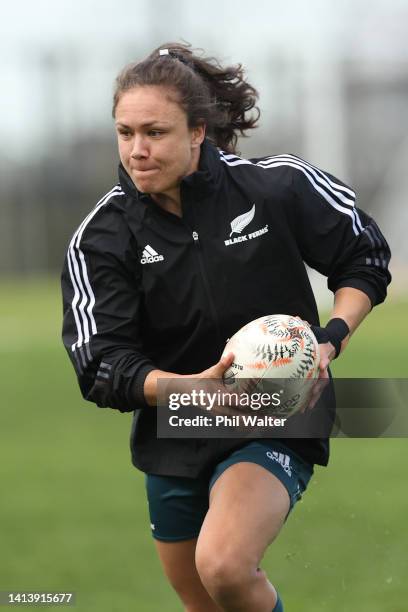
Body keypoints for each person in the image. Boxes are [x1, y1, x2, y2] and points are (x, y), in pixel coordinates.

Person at [61, 42, 391, 612]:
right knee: (206, 601)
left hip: (281, 405)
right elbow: (102, 363)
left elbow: (363, 256)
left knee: (225, 566)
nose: (137, 150)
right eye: (125, 132)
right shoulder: (102, 237)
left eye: (155, 132)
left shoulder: (276, 187)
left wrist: (330, 337)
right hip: (178, 421)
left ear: (197, 132)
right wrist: (194, 389)